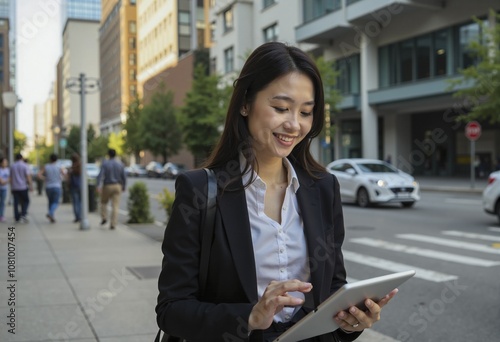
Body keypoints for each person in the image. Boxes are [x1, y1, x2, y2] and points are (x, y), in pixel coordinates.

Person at [156, 42, 397, 342]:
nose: (294, 125)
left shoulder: (323, 188)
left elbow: (332, 289)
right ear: (245, 103)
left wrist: (353, 322)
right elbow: (171, 309)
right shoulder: (199, 190)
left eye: (306, 112)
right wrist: (250, 317)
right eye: (281, 108)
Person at [96, 149, 126, 230]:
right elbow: (124, 176)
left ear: (108, 154)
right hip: (117, 185)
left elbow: (100, 175)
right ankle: (113, 224)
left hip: (107, 185)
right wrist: (124, 186)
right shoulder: (120, 164)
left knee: (103, 202)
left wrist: (98, 185)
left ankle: (104, 217)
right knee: (115, 206)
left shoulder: (105, 163)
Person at [37, 153, 65, 223]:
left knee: (50, 202)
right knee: (56, 202)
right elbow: (65, 175)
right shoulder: (59, 167)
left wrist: (45, 178)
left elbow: (39, 174)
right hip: (57, 186)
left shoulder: (46, 166)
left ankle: (51, 216)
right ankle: (50, 213)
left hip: (48, 187)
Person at [10, 153, 33, 223]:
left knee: (16, 202)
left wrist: (11, 186)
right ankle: (23, 213)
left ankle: (17, 217)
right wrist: (31, 185)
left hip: (15, 187)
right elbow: (28, 176)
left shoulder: (12, 166)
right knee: (26, 201)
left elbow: (10, 177)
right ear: (22, 158)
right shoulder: (25, 165)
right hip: (23, 187)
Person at [68, 153, 82, 223]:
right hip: (80, 186)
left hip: (73, 186)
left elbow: (68, 179)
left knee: (75, 202)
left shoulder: (71, 168)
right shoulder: (80, 166)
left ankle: (77, 217)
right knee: (80, 202)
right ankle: (80, 216)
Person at [0, 157, 10, 222]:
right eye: (4, 162)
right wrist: (7, 180)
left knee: (2, 203)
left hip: (4, 189)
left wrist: (5, 181)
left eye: (6, 162)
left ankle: (1, 215)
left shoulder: (8, 170)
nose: (5, 164)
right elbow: (2, 182)